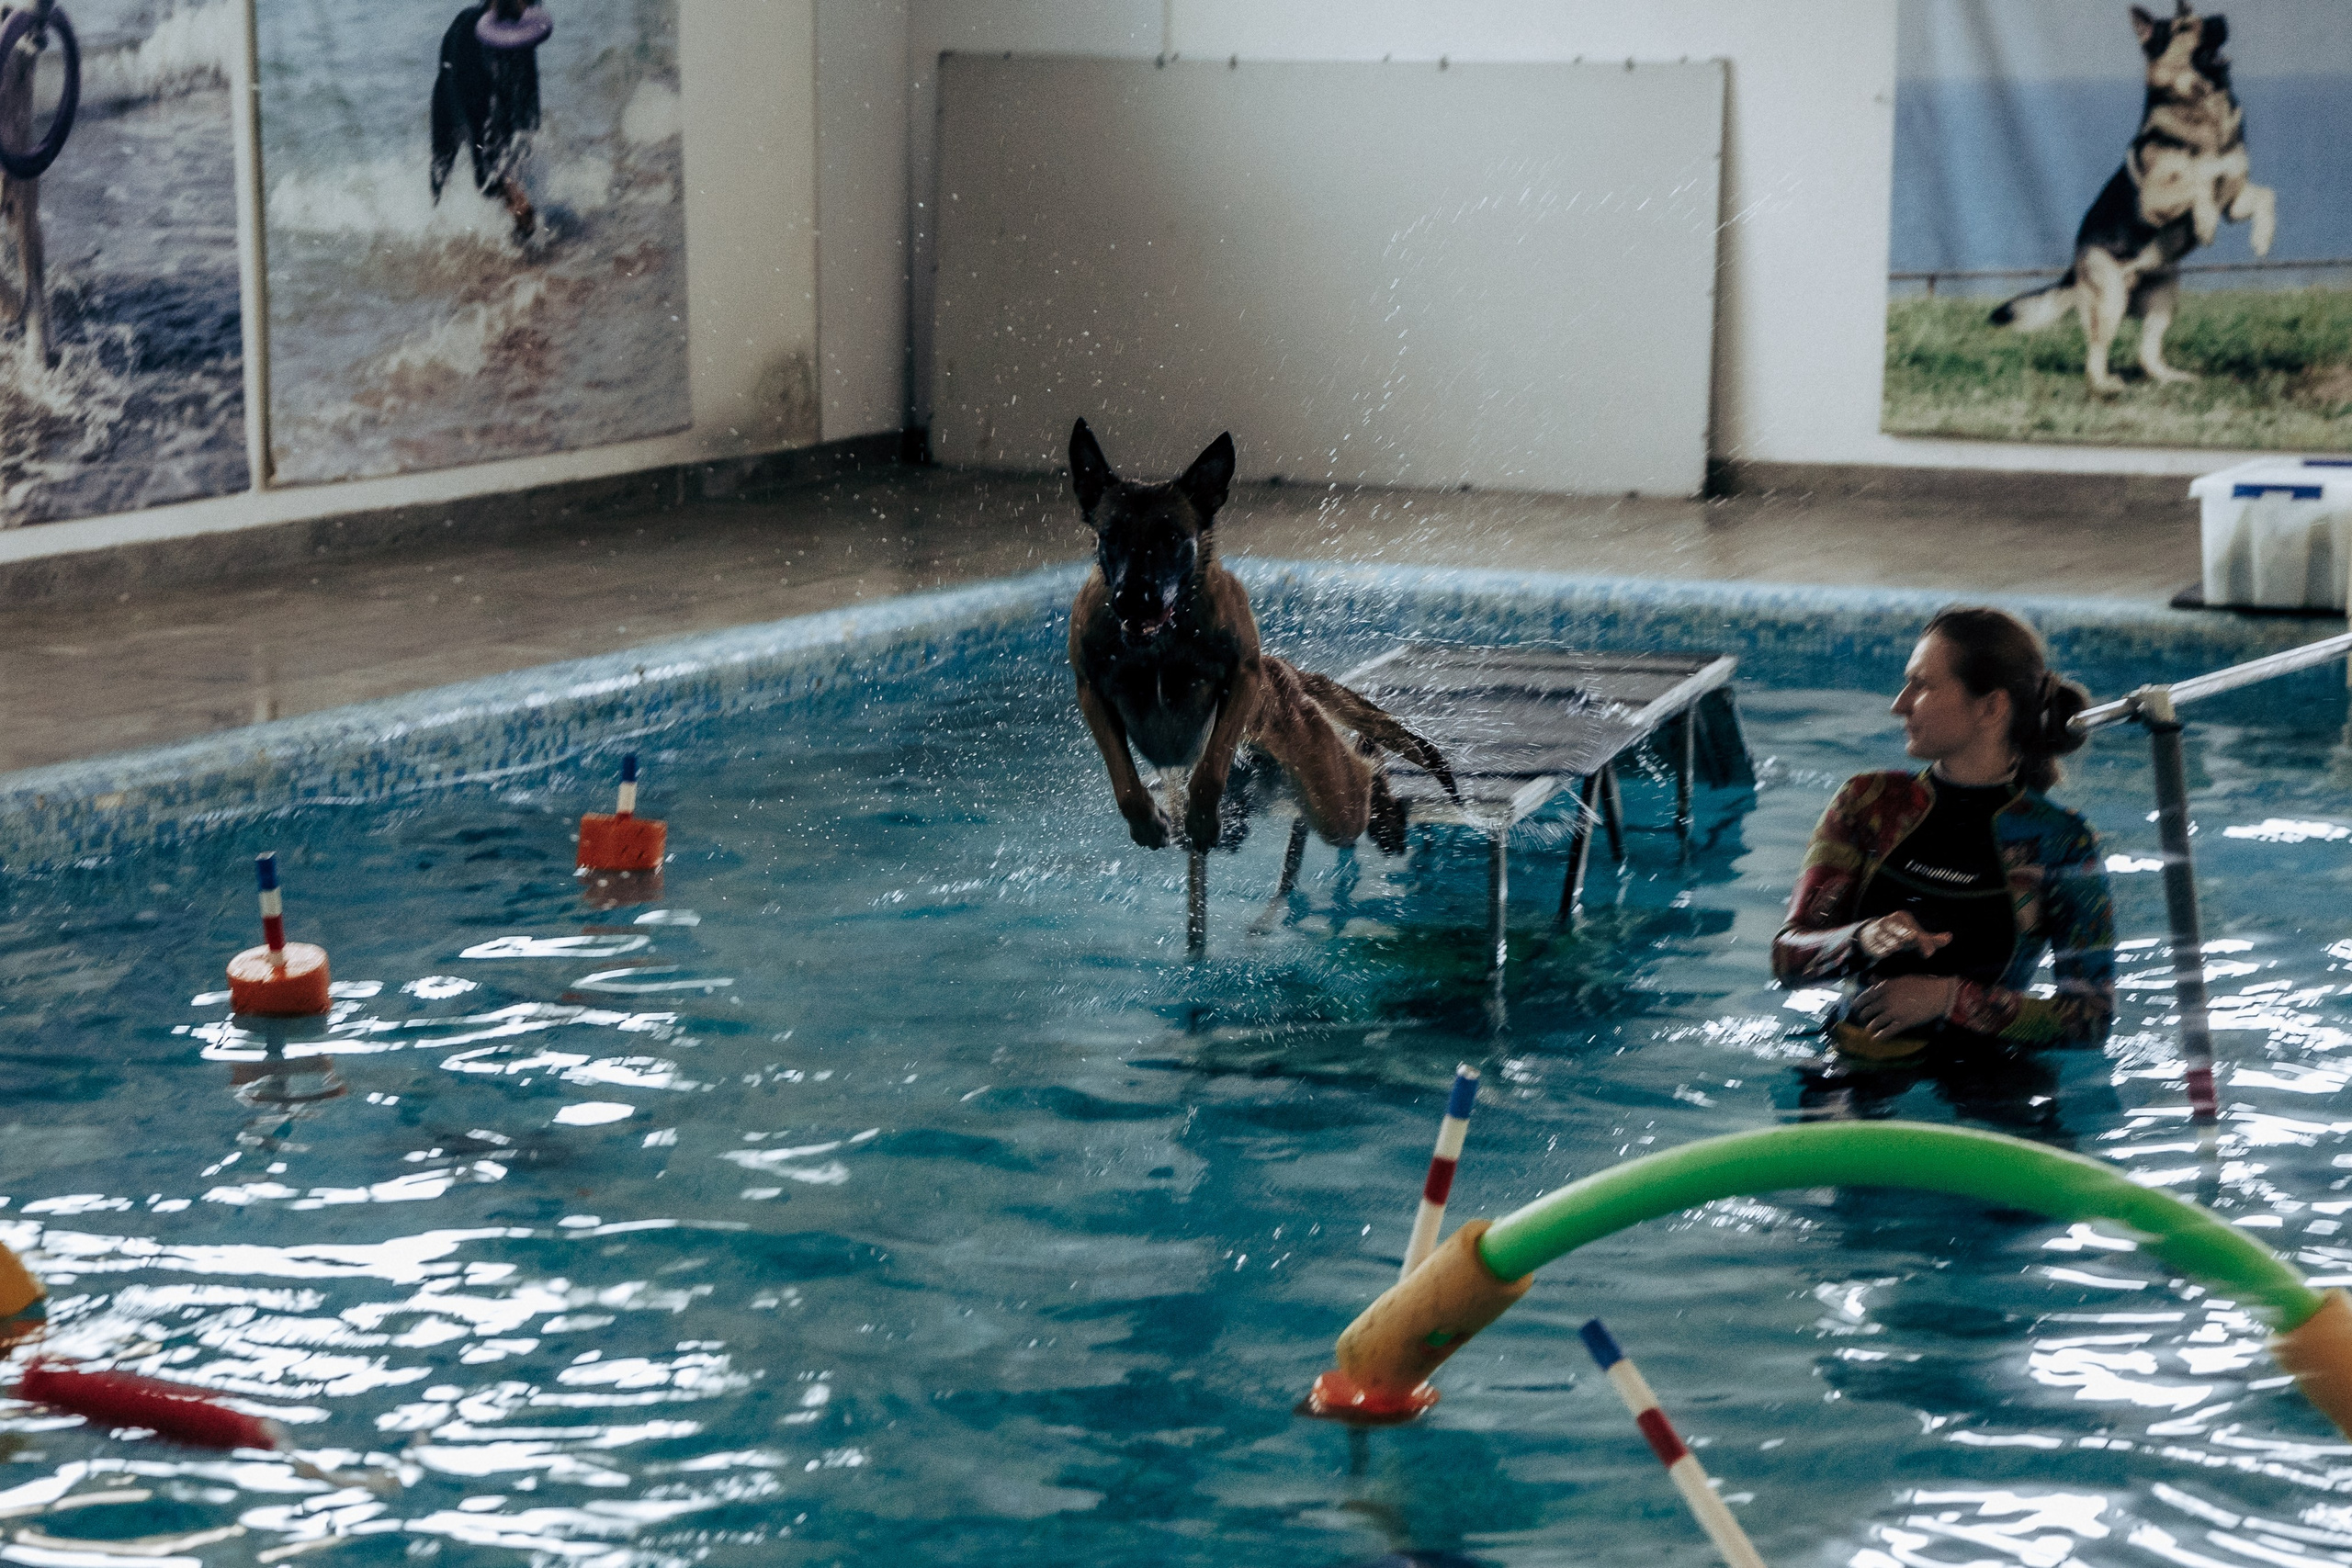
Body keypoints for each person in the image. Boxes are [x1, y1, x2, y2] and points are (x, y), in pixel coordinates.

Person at [1772, 606, 2114, 1067]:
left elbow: (2090, 1021)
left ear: (1991, 707)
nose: (1899, 703)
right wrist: (1862, 937)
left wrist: (1948, 999)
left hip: (1989, 1078)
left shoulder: (2060, 841)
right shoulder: (1867, 803)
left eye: (1923, 685)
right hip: (1854, 1063)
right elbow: (1788, 958)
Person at [430, 0, 551, 243]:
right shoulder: (468, 43)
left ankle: (513, 245)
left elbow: (530, 126)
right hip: (455, 85)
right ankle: (439, 240)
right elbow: (482, 176)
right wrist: (512, 194)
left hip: (492, 80)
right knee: (441, 175)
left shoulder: (524, 51)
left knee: (520, 150)